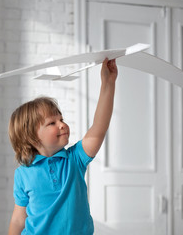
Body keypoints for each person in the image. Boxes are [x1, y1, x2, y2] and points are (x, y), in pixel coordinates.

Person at [8, 58, 118, 235]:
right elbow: (18, 219)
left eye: (62, 119)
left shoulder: (75, 160)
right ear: (31, 137)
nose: (61, 124)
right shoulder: (23, 174)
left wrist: (108, 82)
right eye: (52, 123)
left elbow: (99, 127)